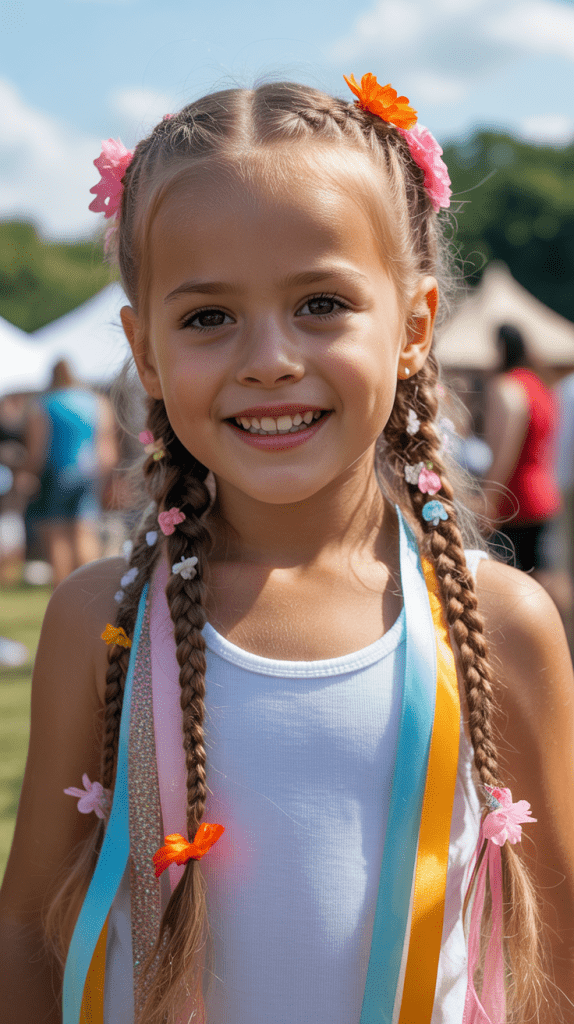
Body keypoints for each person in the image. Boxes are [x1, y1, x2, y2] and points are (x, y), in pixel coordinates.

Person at [1, 76, 573, 1024]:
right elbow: (27, 928)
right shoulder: (97, 619)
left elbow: (557, 941)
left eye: (321, 303)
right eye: (208, 318)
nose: (269, 359)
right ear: (146, 354)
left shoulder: (502, 622)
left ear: (414, 328)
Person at [24, 359, 119, 586]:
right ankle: (91, 589)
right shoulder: (97, 401)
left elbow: (37, 448)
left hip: (55, 473)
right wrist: (105, 478)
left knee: (57, 535)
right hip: (89, 473)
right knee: (85, 531)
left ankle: (62, 591)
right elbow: (107, 447)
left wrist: (28, 474)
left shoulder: (43, 404)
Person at [483, 324, 562, 574]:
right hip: (544, 492)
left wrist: (489, 498)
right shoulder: (540, 385)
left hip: (515, 499)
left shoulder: (507, 386)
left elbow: (504, 451)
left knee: (507, 578)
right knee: (545, 574)